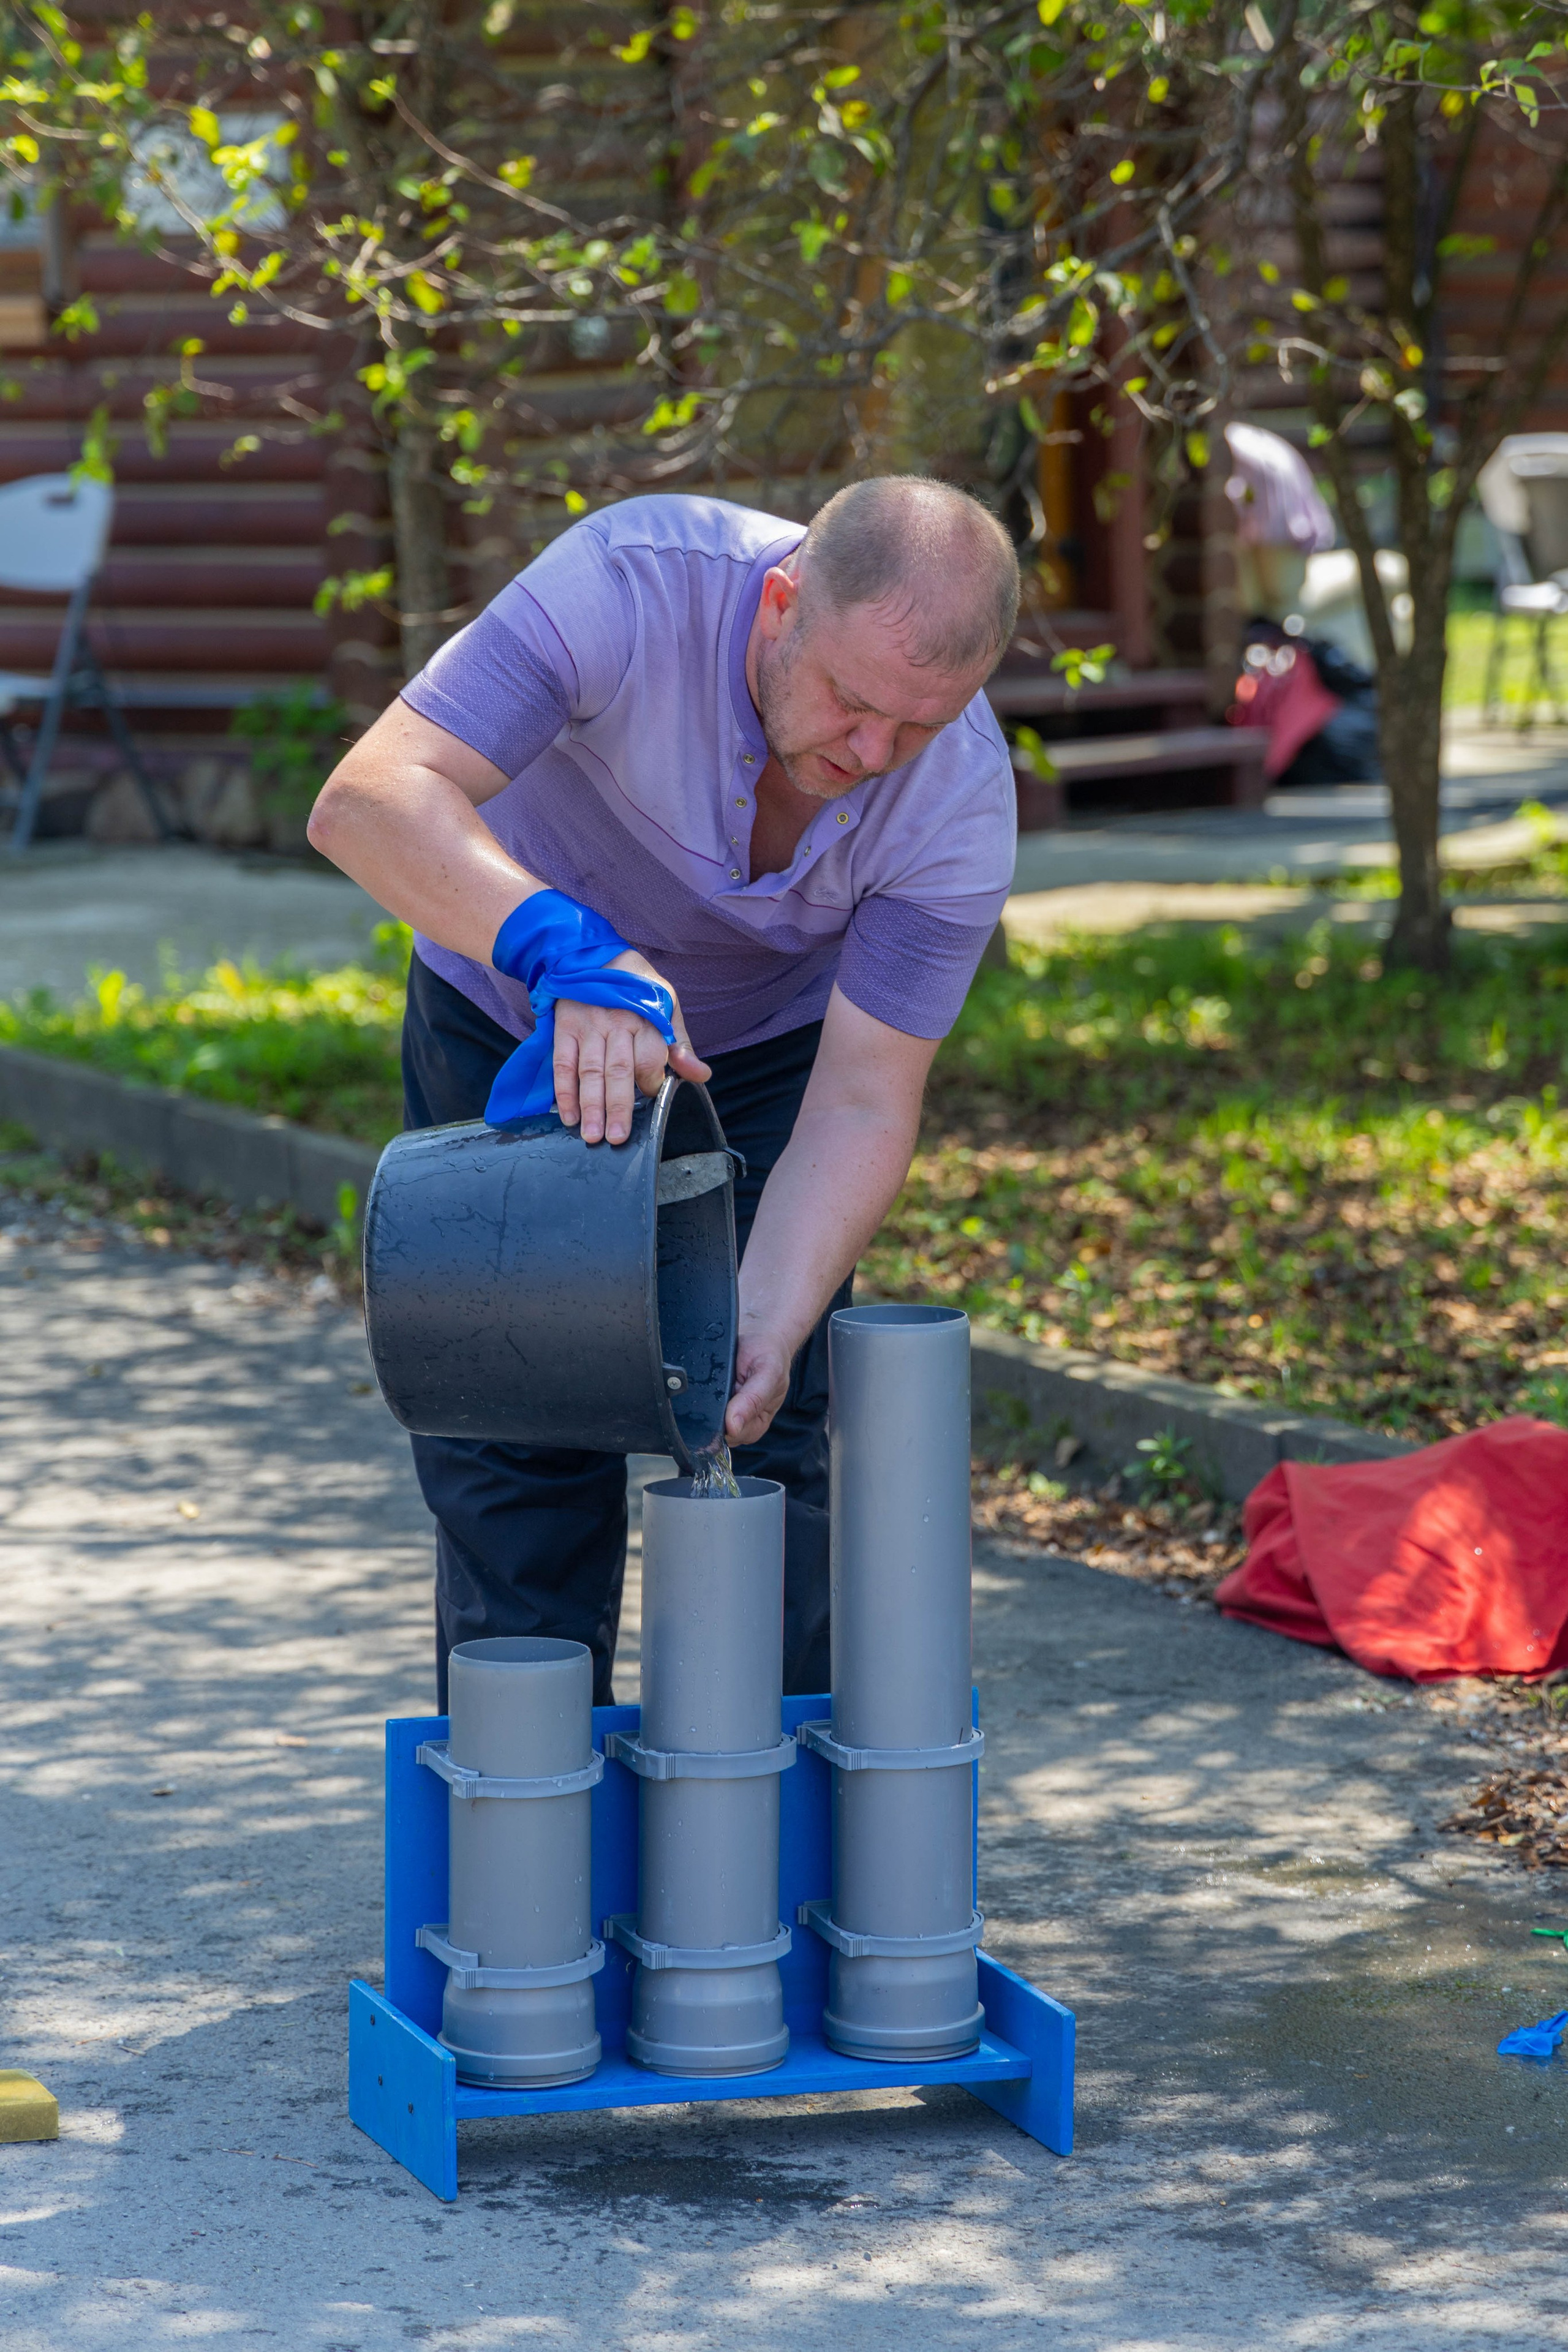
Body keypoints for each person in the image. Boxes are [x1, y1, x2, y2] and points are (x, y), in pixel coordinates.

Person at [309, 478, 1019, 1706]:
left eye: (914, 725)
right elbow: (368, 798)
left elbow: (861, 1099)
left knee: (759, 1428)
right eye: (850, 702)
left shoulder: (957, 795)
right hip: (509, 1024)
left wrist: (777, 1314)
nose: (868, 755)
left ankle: (760, 1852)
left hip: (756, 1072)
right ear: (780, 603)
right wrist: (563, 951)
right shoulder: (627, 585)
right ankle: (526, 1853)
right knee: (514, 1422)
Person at [1223, 420, 1336, 622]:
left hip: (1277, 532)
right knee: (1266, 604)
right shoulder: (1243, 439)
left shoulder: (1235, 444)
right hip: (1272, 528)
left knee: (1277, 603)